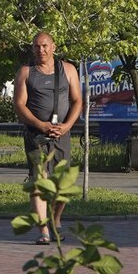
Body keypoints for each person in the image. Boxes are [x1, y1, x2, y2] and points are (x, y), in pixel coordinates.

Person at [13, 30, 83, 245]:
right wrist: (40, 125)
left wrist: (66, 126)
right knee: (39, 181)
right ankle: (43, 229)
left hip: (61, 134)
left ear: (53, 47)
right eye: (36, 46)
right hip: (36, 134)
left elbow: (77, 101)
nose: (40, 50)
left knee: (62, 183)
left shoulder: (68, 69)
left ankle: (55, 219)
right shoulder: (26, 72)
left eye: (44, 46)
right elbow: (19, 105)